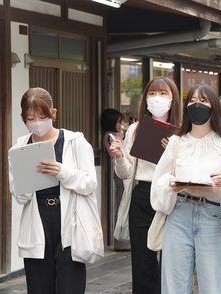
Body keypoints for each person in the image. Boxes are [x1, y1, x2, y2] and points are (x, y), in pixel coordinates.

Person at [151, 84, 221, 294]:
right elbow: (159, 182)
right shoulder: (176, 142)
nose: (197, 105)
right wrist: (170, 183)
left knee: (212, 287)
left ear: (214, 106)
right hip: (178, 214)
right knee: (174, 286)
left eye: (203, 101)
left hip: (212, 217)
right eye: (193, 100)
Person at [9, 87, 97, 294]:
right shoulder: (19, 147)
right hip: (37, 219)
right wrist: (26, 177)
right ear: (22, 117)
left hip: (69, 221)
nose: (37, 122)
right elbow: (20, 198)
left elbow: (90, 183)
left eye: (42, 116)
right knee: (39, 287)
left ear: (53, 114)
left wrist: (62, 172)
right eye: (30, 117)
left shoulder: (76, 142)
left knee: (70, 287)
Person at [110, 77, 181, 294]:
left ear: (172, 99)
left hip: (172, 196)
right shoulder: (135, 128)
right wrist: (121, 157)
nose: (156, 98)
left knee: (172, 260)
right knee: (143, 261)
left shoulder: (182, 132)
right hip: (142, 194)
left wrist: (173, 153)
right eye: (152, 93)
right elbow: (127, 172)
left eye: (163, 94)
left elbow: (188, 172)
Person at [101, 108, 130, 251]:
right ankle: (121, 242)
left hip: (124, 169)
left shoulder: (118, 134)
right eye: (119, 121)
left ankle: (126, 240)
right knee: (121, 204)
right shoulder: (109, 136)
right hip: (119, 171)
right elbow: (123, 149)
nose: (120, 124)